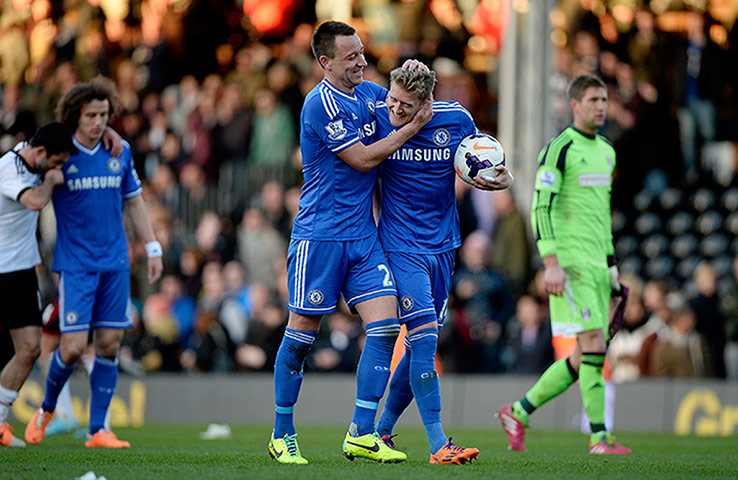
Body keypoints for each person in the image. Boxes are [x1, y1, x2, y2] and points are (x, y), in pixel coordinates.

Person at [268, 21, 432, 465]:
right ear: (325, 63)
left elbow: (405, 101)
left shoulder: (368, 92)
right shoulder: (318, 104)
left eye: (361, 52)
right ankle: (282, 433)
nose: (362, 61)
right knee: (302, 336)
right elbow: (361, 159)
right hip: (319, 237)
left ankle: (361, 432)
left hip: (362, 237)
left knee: (385, 325)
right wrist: (410, 130)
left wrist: (416, 79)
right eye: (351, 57)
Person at [371, 66, 512, 463]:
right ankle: (438, 443)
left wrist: (498, 179)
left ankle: (382, 431)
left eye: (406, 105)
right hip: (400, 246)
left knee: (420, 343)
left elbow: (488, 168)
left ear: (427, 104)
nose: (396, 109)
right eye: (393, 100)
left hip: (444, 249)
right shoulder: (378, 117)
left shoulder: (457, 120)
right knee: (425, 337)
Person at [24, 77, 163, 449]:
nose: (98, 122)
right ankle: (48, 409)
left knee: (109, 343)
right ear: (75, 115)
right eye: (91, 115)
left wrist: (152, 247)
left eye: (104, 114)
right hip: (76, 265)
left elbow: (134, 202)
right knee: (70, 349)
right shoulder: (59, 151)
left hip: (115, 262)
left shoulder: (119, 151)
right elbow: (27, 155)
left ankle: (98, 430)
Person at [497, 74, 631, 455]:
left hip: (596, 265)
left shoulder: (607, 151)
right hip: (569, 264)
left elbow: (601, 215)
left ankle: (518, 412)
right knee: (593, 344)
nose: (601, 107)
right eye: (593, 100)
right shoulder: (558, 149)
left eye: (604, 100)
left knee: (582, 355)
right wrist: (551, 263)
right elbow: (541, 207)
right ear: (575, 105)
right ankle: (600, 438)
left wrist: (611, 267)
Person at [0, 122, 77, 448]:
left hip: (20, 273)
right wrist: (50, 180)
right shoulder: (8, 167)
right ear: (41, 152)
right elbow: (33, 201)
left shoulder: (40, 162)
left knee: (30, 349)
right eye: (57, 161)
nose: (59, 169)